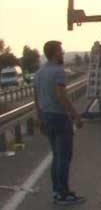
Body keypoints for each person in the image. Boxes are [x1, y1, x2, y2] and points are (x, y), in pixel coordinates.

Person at [33, 41, 85, 206]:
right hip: (59, 117)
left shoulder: (39, 73)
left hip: (47, 116)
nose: (63, 54)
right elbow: (61, 96)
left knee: (56, 156)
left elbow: (37, 98)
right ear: (55, 53)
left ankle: (57, 191)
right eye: (61, 51)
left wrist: (40, 118)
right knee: (64, 157)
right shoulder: (58, 72)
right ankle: (63, 194)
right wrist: (75, 115)